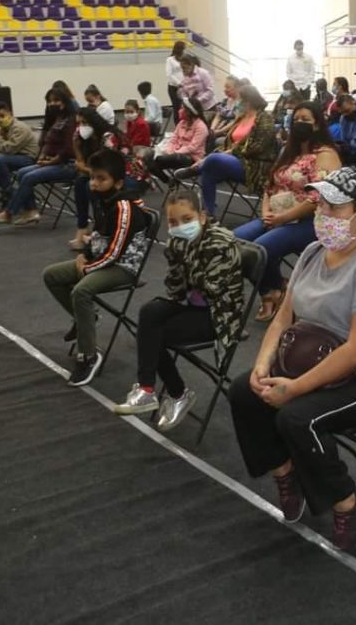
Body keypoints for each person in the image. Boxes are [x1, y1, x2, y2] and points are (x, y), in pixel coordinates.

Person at [226, 167, 356, 553]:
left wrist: (295, 388)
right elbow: (284, 316)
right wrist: (263, 363)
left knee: (297, 417)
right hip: (317, 357)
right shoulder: (314, 252)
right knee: (245, 391)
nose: (322, 214)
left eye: (334, 207)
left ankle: (348, 501)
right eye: (321, 205)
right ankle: (287, 473)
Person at [112, 188, 245, 432]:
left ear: (202, 216)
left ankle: (177, 393)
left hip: (219, 314)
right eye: (173, 222)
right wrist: (176, 262)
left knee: (155, 335)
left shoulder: (221, 243)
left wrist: (187, 260)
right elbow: (175, 287)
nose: (180, 227)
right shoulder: (176, 241)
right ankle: (147, 389)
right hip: (190, 304)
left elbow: (213, 289)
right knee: (149, 312)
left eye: (187, 219)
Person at [42, 149, 150, 387]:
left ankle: (89, 356)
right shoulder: (102, 199)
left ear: (118, 182)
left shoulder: (124, 207)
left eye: (101, 179)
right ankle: (86, 318)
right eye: (92, 177)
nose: (94, 183)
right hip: (101, 260)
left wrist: (88, 268)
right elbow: (97, 235)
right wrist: (84, 254)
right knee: (51, 275)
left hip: (123, 267)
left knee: (81, 290)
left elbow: (115, 252)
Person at [234, 101, 341, 320]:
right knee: (234, 243)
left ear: (317, 124)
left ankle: (271, 292)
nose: (299, 123)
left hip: (310, 221)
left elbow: (318, 197)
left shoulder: (326, 153)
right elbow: (269, 186)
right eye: (296, 119)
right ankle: (274, 289)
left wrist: (282, 218)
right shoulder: (288, 152)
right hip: (277, 217)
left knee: (260, 249)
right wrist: (266, 212)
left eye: (305, 120)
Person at [0, 87, 76, 226]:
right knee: (22, 173)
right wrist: (44, 157)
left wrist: (50, 162)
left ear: (64, 102)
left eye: (56, 100)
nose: (52, 104)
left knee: (29, 176)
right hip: (51, 161)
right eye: (50, 101)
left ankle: (9, 212)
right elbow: (47, 144)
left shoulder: (70, 120)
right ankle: (31, 211)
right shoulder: (57, 119)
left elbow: (69, 149)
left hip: (67, 164)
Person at [196, 84, 278, 215]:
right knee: (208, 172)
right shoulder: (241, 117)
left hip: (254, 165)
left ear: (248, 101)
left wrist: (231, 152)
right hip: (234, 160)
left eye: (239, 99)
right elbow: (228, 144)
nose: (237, 102)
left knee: (212, 159)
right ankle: (208, 215)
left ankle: (195, 169)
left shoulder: (264, 118)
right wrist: (226, 152)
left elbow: (259, 146)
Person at [70, 107, 120, 250]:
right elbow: (82, 162)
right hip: (100, 174)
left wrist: (84, 169)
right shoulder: (86, 139)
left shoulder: (107, 136)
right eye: (79, 124)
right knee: (80, 182)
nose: (81, 127)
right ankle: (83, 227)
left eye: (84, 123)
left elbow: (107, 169)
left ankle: (100, 230)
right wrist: (76, 146)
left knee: (90, 186)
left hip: (122, 174)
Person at [0, 101, 38, 203]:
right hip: (12, 156)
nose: (0, 120)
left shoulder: (19, 127)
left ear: (10, 113)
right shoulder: (3, 128)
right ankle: (4, 189)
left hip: (27, 157)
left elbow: (8, 149)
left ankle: (10, 194)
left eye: (2, 116)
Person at [147, 98, 208, 182]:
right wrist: (169, 150)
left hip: (191, 157)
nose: (179, 111)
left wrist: (176, 152)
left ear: (189, 111)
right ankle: (169, 181)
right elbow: (173, 139)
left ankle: (161, 160)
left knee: (162, 159)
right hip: (175, 153)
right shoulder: (181, 123)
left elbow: (192, 147)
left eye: (182, 108)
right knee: (149, 163)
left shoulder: (201, 127)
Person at [210, 75, 242, 143]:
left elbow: (235, 122)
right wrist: (212, 129)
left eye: (228, 87)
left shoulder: (241, 104)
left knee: (217, 141)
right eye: (225, 87)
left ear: (237, 88)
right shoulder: (224, 101)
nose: (225, 89)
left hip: (229, 132)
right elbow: (218, 116)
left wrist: (219, 132)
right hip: (217, 130)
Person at [165, 40, 186, 112]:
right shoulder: (170, 59)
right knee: (177, 108)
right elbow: (169, 74)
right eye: (182, 49)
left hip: (184, 86)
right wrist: (179, 83)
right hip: (173, 87)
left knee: (185, 107)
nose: (183, 51)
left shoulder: (184, 58)